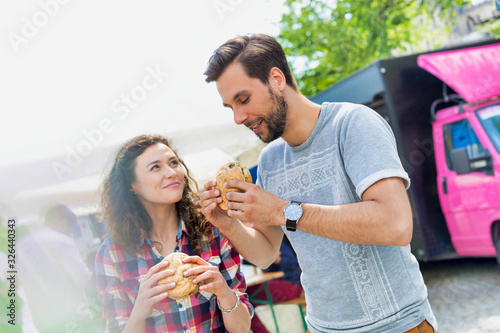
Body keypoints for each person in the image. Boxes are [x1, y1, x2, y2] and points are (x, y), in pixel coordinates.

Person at [200, 33, 438, 333]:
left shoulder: (352, 124)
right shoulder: (270, 159)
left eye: (243, 99)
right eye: (230, 107)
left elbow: (396, 225)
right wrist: (228, 224)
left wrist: (282, 211)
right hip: (322, 327)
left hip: (396, 324)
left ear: (276, 79)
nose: (238, 117)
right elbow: (265, 254)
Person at [95, 134, 252, 333]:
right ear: (131, 185)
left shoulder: (212, 228)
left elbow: (242, 328)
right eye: (155, 167)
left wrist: (224, 292)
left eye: (173, 163)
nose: (171, 172)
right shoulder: (112, 254)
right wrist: (139, 311)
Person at [17, 204, 94, 332]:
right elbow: (81, 278)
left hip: (42, 320)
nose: (71, 233)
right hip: (72, 315)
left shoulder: (21, 245)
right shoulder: (60, 240)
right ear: (63, 223)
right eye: (71, 229)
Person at [246, 235, 302, 333]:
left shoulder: (275, 239)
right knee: (245, 302)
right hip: (286, 283)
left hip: (292, 284)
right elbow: (267, 266)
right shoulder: (263, 241)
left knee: (243, 297)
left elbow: (295, 264)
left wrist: (277, 260)